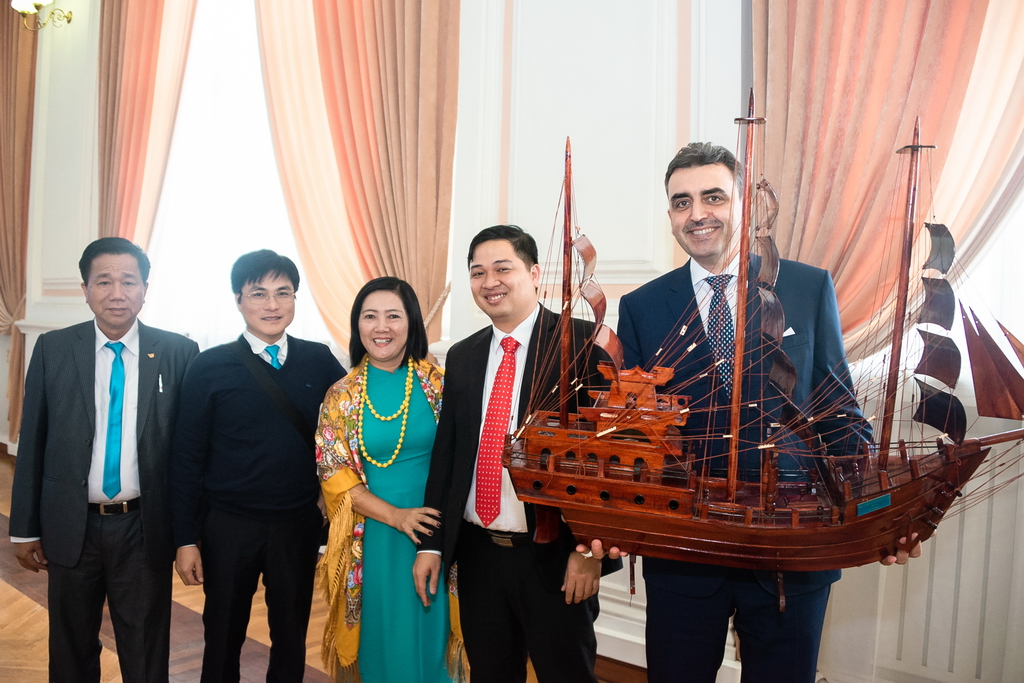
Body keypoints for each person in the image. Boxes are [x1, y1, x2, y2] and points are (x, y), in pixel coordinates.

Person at [616, 142, 920, 683]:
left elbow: (839, 412)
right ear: (670, 215)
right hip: (684, 554)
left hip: (793, 551)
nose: (697, 214)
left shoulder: (806, 286)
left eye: (713, 197)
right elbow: (634, 436)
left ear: (744, 204)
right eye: (682, 202)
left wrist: (884, 515)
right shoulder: (641, 307)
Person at [412, 225, 621, 683]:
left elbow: (610, 461)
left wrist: (589, 551)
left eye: (502, 269)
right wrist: (432, 543)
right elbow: (448, 456)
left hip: (555, 557)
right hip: (478, 555)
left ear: (534, 272)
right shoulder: (463, 356)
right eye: (477, 272)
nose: (490, 282)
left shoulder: (583, 344)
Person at [9, 237, 200, 683]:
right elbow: (33, 440)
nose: (117, 293)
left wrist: (188, 535)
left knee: (145, 649)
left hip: (143, 527)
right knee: (70, 648)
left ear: (145, 289)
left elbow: (189, 455)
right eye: (104, 281)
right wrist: (24, 528)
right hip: (70, 523)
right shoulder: (54, 349)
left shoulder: (178, 352)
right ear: (85, 289)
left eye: (128, 281)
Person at [171, 249, 345, 682]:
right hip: (228, 525)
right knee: (222, 633)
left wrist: (329, 498)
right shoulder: (209, 366)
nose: (272, 305)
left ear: (295, 299)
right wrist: (186, 539)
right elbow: (186, 459)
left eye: (283, 293)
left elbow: (343, 434)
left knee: (291, 634)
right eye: (258, 293)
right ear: (238, 299)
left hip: (297, 524)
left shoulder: (319, 359)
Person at [315, 277, 459, 683]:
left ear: (411, 322)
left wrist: (427, 527)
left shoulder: (440, 384)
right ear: (357, 325)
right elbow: (335, 476)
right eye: (370, 316)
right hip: (373, 538)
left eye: (393, 316)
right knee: (384, 642)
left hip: (436, 533)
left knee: (435, 643)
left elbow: (462, 458)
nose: (382, 327)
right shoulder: (341, 396)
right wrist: (397, 516)